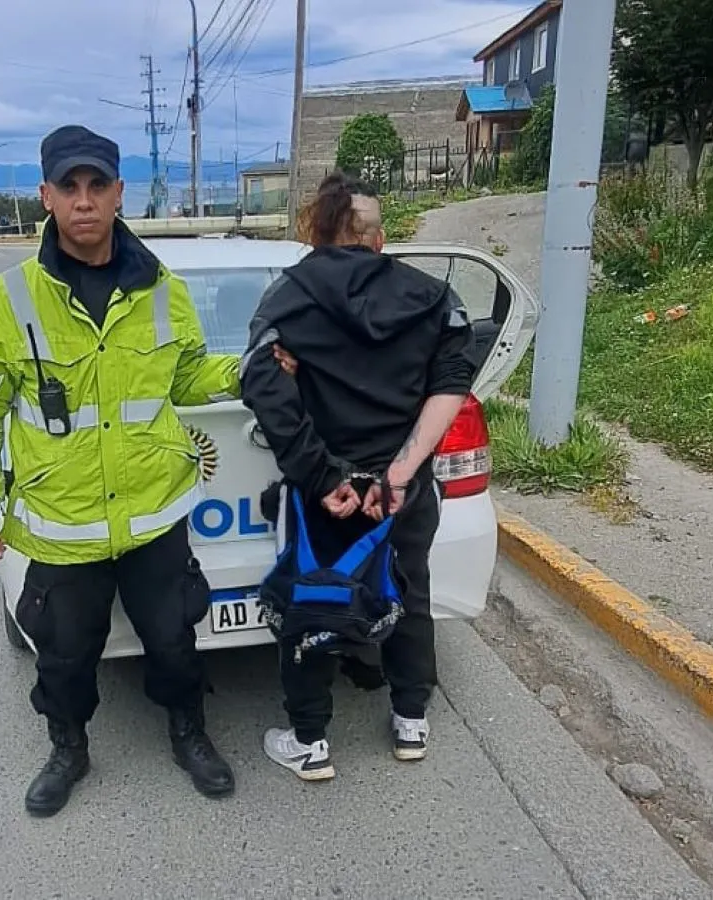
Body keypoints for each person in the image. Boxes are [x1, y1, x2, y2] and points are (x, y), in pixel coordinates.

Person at [0, 125, 243, 817]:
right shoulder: (7, 300)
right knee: (65, 655)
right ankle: (68, 747)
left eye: (97, 185)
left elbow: (190, 376)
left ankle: (188, 731)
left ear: (118, 193)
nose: (84, 201)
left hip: (152, 515)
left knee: (173, 640)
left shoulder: (161, 290)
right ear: (46, 196)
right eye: (69, 187)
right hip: (63, 523)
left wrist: (255, 369)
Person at [240, 172, 477, 780]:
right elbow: (453, 381)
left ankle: (310, 741)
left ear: (318, 231)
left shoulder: (289, 296)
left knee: (312, 595)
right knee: (410, 589)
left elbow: (260, 384)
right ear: (377, 238)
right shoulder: (431, 297)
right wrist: (398, 473)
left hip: (329, 497)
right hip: (404, 492)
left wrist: (321, 479)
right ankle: (410, 722)